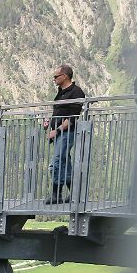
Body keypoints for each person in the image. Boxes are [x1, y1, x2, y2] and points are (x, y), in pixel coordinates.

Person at [45, 64, 86, 204]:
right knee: (64, 163)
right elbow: (59, 112)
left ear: (65, 76)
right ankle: (75, 194)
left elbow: (72, 118)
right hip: (59, 133)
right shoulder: (61, 92)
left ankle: (56, 194)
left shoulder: (76, 92)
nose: (54, 79)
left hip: (66, 133)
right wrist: (49, 123)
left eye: (56, 76)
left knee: (56, 163)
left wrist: (56, 130)